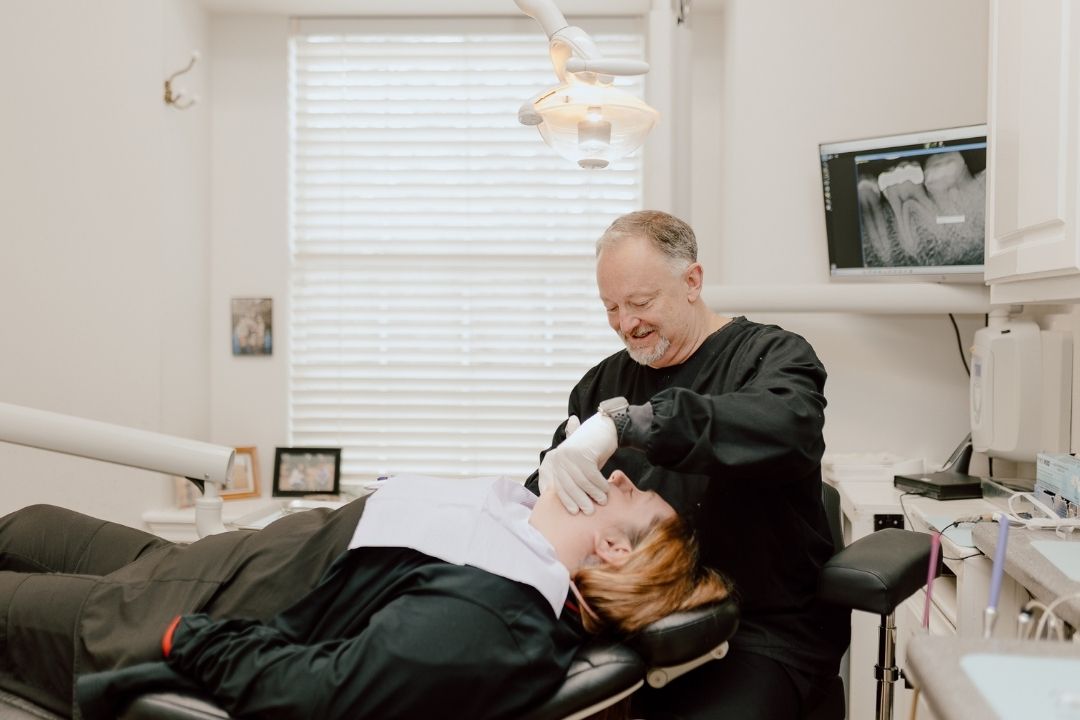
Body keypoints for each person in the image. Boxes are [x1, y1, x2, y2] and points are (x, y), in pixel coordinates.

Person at [0, 470, 726, 720]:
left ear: (612, 548)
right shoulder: (514, 526)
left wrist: (183, 638)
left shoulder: (491, 621)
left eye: (632, 497)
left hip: (168, 615)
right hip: (184, 562)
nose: (621, 477)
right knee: (24, 523)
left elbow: (321, 694)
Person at [525, 210, 850, 720]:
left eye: (640, 302)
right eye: (610, 307)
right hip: (627, 631)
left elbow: (789, 427)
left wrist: (628, 424)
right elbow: (551, 502)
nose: (625, 324)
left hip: (756, 632)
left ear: (692, 281)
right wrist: (547, 477)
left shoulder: (770, 356)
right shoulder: (599, 385)